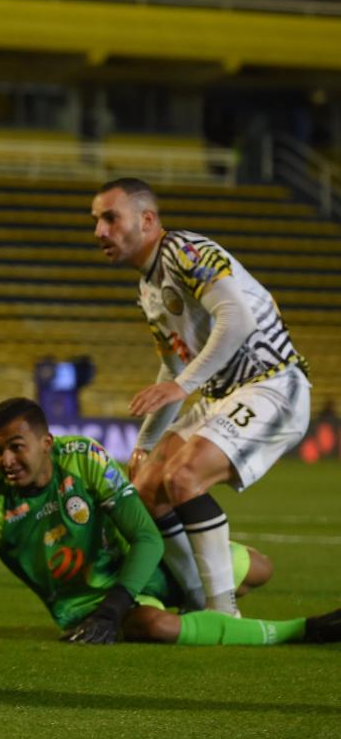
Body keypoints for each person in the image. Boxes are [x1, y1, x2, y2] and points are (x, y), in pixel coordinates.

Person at [0, 398, 341, 646]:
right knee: (155, 627)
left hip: (137, 568)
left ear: (45, 443)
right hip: (85, 608)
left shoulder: (84, 459)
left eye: (16, 447)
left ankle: (188, 606)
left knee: (261, 568)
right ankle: (304, 630)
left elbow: (148, 537)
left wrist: (119, 601)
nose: (6, 460)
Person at [91, 177, 310, 615]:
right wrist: (145, 443)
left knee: (183, 477)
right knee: (146, 488)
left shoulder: (187, 251)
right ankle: (195, 599)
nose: (99, 231)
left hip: (272, 382)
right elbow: (173, 367)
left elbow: (238, 318)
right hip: (224, 393)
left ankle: (222, 609)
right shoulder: (148, 288)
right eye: (96, 221)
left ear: (147, 219)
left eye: (110, 218)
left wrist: (184, 386)